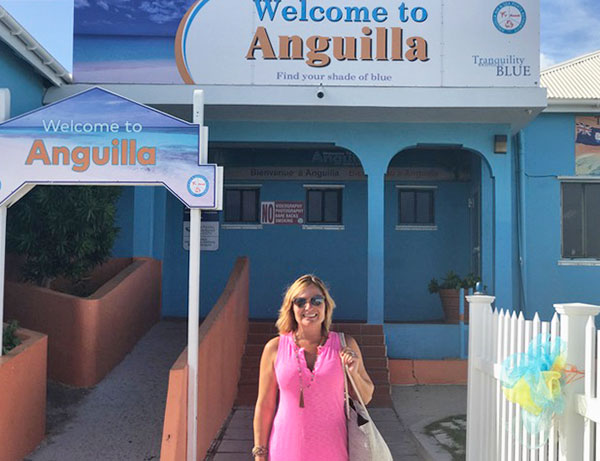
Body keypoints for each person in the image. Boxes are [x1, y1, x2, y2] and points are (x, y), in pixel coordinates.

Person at [252, 274, 374, 460]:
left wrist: (353, 373)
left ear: (326, 306)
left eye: (317, 300)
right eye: (300, 302)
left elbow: (365, 397)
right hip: (285, 449)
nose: (309, 307)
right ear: (291, 308)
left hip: (333, 450)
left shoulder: (345, 344)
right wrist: (260, 453)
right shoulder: (274, 348)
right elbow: (265, 405)